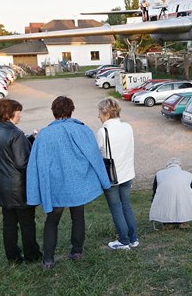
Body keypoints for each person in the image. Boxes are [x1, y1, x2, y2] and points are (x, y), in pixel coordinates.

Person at [27, 96, 110, 269]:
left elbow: (36, 165)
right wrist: (104, 180)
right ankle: (77, 251)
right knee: (78, 216)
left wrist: (35, 191)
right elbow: (94, 157)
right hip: (77, 184)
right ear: (71, 110)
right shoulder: (82, 130)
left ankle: (48, 260)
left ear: (53, 112)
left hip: (56, 187)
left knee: (52, 221)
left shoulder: (44, 135)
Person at [0, 99, 42, 264]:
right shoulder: (16, 133)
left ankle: (13, 257)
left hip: (3, 184)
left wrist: (29, 139)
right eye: (18, 111)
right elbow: (22, 163)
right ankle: (32, 255)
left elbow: (9, 149)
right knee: (27, 223)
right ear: (9, 113)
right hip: (19, 186)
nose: (20, 114)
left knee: (9, 224)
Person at [96, 97, 139, 250]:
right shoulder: (127, 127)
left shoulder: (103, 131)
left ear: (106, 113)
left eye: (100, 113)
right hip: (127, 173)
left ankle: (123, 240)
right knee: (126, 206)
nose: (98, 116)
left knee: (116, 208)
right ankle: (133, 238)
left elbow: (98, 153)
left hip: (112, 176)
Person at [150, 158, 192, 227]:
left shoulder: (159, 174)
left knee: (158, 199)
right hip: (183, 201)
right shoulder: (188, 175)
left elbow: (154, 192)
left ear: (167, 166)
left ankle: (166, 222)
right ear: (180, 166)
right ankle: (183, 221)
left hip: (165, 201)